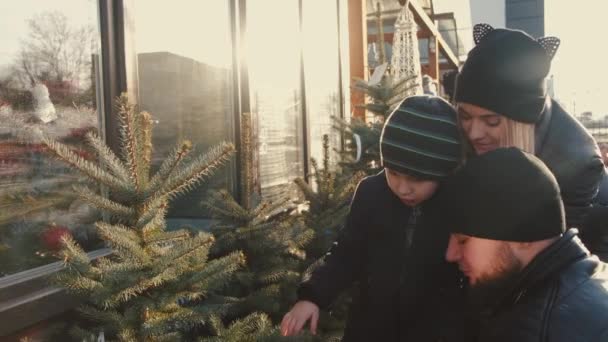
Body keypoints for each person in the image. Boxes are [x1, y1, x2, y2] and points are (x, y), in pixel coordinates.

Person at [280, 95, 465, 341]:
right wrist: (312, 297)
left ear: (443, 172)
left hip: (434, 330)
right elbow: (347, 253)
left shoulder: (457, 202)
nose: (402, 188)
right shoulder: (372, 193)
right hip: (370, 328)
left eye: (417, 179)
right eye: (394, 172)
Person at [454, 23, 608, 258]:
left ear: (522, 119)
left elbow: (552, 259)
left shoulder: (576, 163)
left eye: (491, 121)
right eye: (465, 116)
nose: (474, 133)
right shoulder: (461, 136)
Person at [441, 147, 608, 342]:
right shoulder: (580, 287)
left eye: (463, 240)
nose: (450, 254)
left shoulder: (543, 329)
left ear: (522, 237)